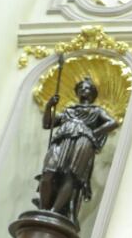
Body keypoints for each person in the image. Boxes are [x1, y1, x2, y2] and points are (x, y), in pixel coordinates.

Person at [37, 76, 119, 221]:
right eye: (81, 88)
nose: (83, 90)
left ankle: (55, 211)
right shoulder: (69, 111)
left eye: (87, 88)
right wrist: (49, 106)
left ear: (92, 93)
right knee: (48, 173)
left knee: (71, 175)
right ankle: (43, 210)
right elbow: (47, 124)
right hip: (61, 140)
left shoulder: (96, 111)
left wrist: (92, 133)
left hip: (82, 142)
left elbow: (113, 123)